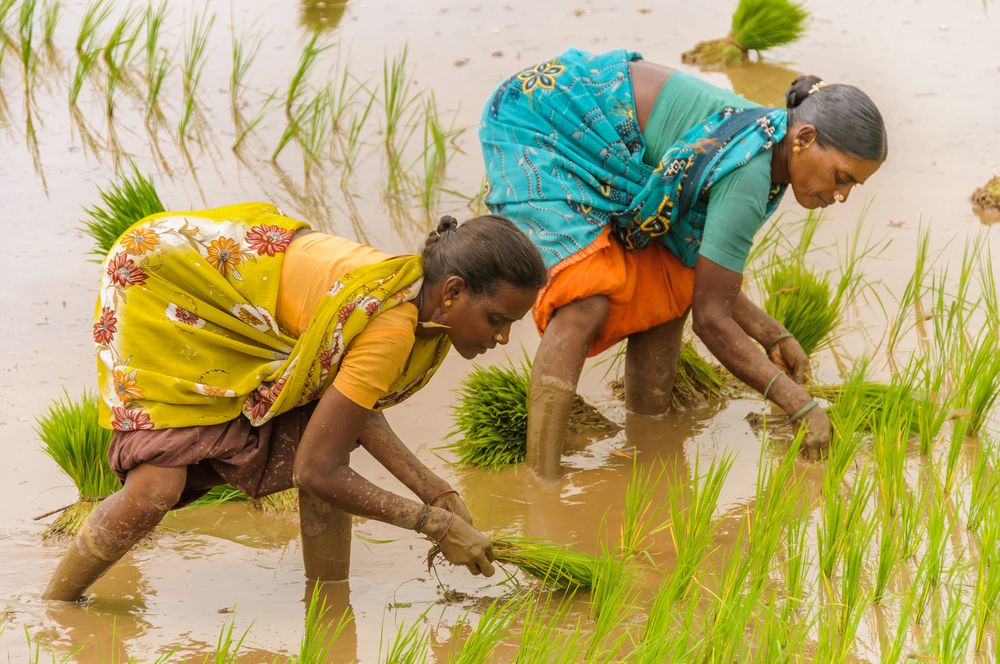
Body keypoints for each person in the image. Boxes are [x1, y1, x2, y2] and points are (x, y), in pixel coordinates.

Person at [43, 202, 548, 601]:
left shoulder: (423, 300)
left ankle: (329, 600)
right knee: (157, 484)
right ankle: (57, 605)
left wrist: (436, 492)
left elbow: (347, 410)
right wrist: (434, 525)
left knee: (325, 435)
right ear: (455, 291)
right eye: (497, 319)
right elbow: (315, 471)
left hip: (241, 288)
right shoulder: (391, 324)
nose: (502, 337)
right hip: (165, 279)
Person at [479, 49, 887, 479]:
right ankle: (541, 479)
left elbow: (703, 278)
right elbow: (711, 319)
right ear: (803, 138)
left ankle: (649, 446)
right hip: (544, 120)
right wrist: (801, 405)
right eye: (842, 177)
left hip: (610, 144)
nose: (842, 195)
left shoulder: (766, 140)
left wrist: (772, 334)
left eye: (853, 186)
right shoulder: (750, 169)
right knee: (586, 299)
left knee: (668, 290)